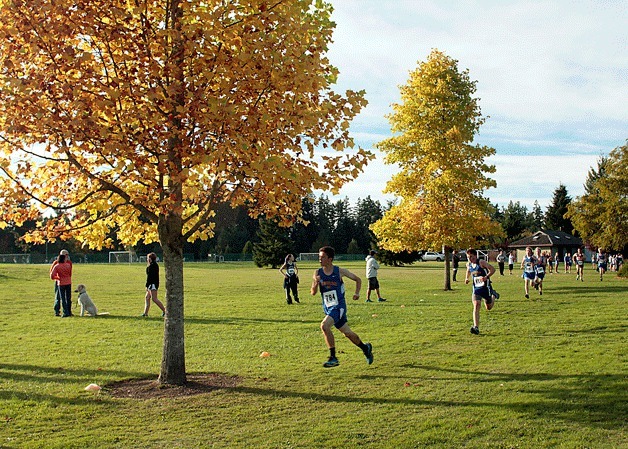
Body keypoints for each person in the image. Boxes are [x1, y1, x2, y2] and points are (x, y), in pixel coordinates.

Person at [311, 246, 374, 368]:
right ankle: (365, 347)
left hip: (339, 306)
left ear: (330, 259)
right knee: (348, 333)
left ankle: (333, 357)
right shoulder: (317, 273)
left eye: (322, 257)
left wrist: (357, 293)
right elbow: (313, 292)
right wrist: (315, 283)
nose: (320, 260)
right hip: (328, 308)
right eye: (319, 257)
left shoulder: (339, 271)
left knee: (324, 326)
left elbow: (358, 279)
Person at [465, 248, 498, 335]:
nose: (470, 259)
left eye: (471, 257)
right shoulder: (468, 264)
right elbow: (468, 271)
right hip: (476, 289)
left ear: (475, 256)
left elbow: (493, 269)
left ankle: (494, 295)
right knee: (476, 305)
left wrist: (486, 277)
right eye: (468, 257)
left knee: (489, 307)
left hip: (485, 288)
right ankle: (476, 327)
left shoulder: (481, 262)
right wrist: (466, 278)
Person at [142, 252, 166, 317]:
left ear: (150, 258)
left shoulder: (152, 266)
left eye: (148, 258)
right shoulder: (153, 265)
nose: (147, 259)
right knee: (147, 297)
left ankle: (165, 311)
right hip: (152, 284)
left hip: (152, 284)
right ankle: (145, 313)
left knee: (154, 299)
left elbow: (150, 277)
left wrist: (147, 285)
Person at [50, 252, 73, 317]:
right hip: (68, 282)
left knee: (62, 298)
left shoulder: (57, 266)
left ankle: (65, 312)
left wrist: (58, 278)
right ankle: (69, 311)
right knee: (68, 298)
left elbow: (52, 276)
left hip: (61, 283)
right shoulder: (68, 265)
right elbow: (70, 274)